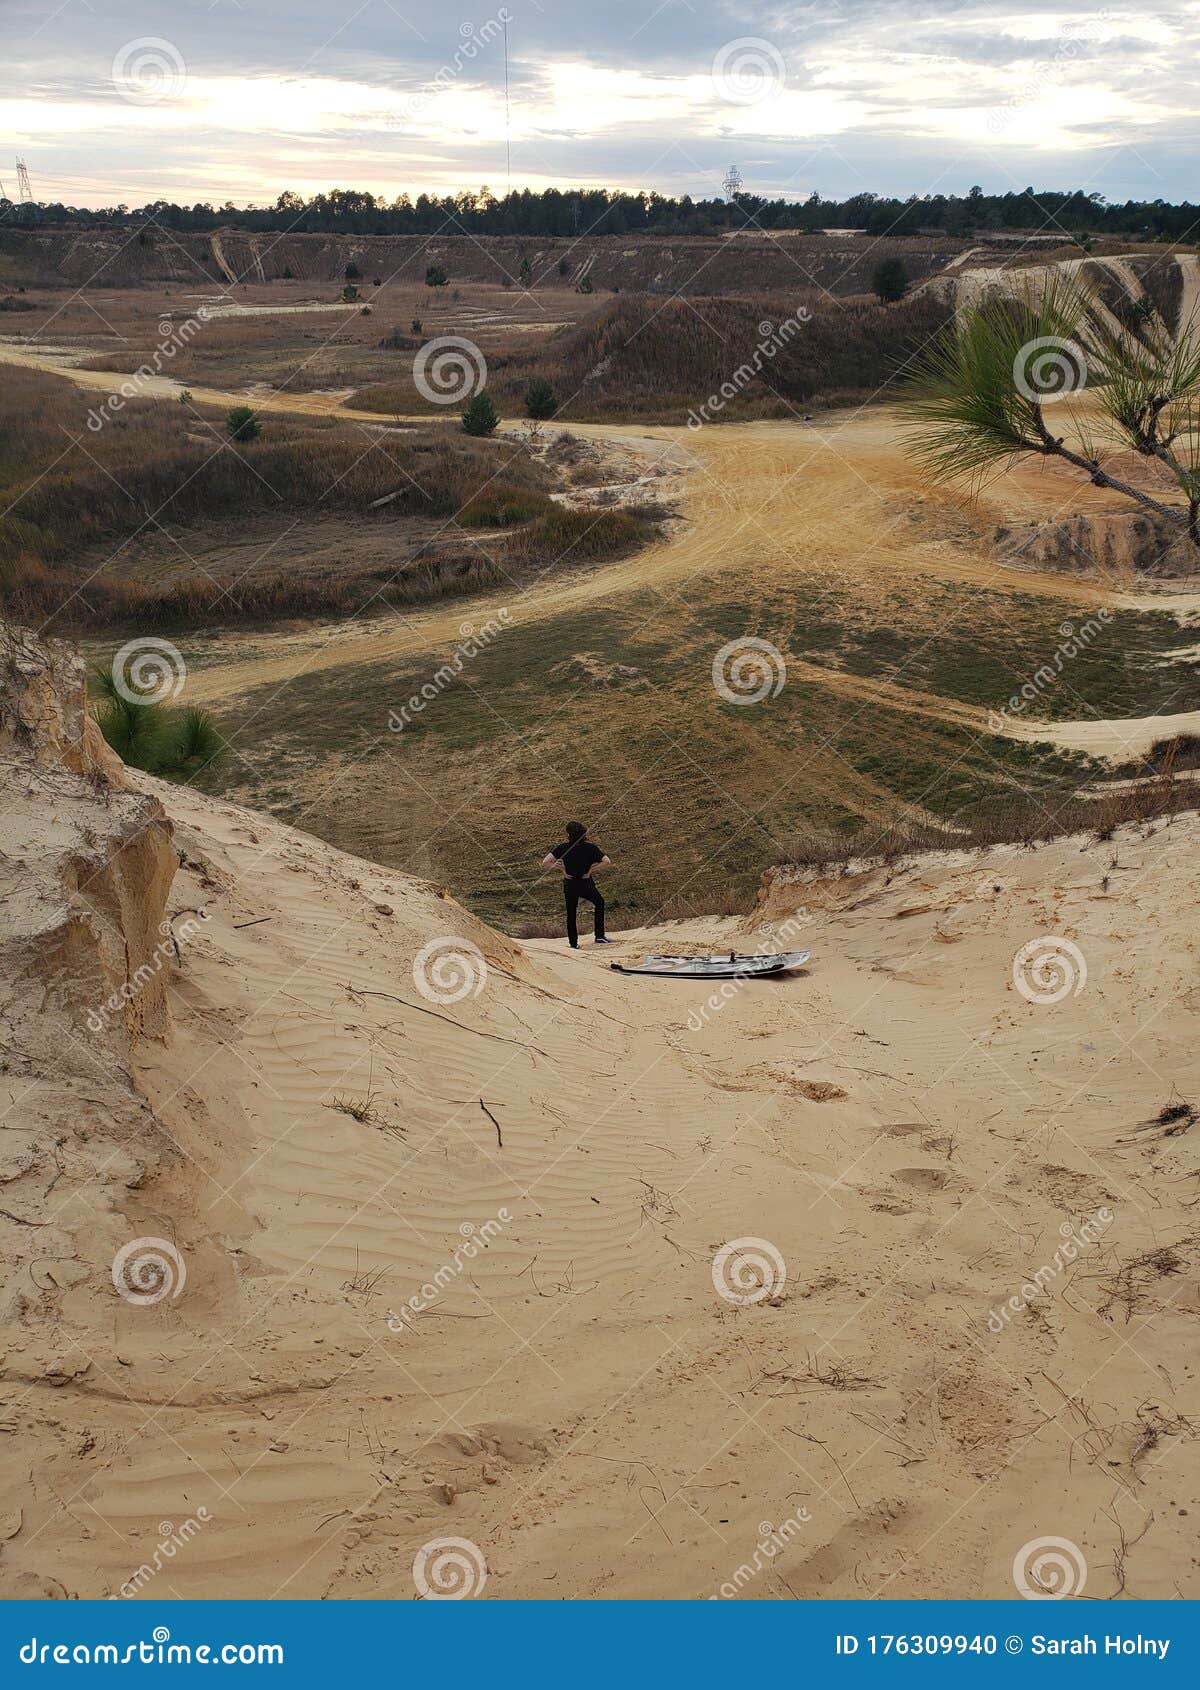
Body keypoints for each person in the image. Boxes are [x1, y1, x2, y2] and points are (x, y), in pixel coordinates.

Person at [541, 822, 613, 948]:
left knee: (571, 913)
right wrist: (590, 871)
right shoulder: (590, 848)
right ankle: (600, 936)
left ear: (569, 834)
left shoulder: (563, 847)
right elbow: (607, 861)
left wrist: (562, 869)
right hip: (585, 882)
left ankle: (573, 944)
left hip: (570, 883)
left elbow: (545, 862)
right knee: (599, 903)